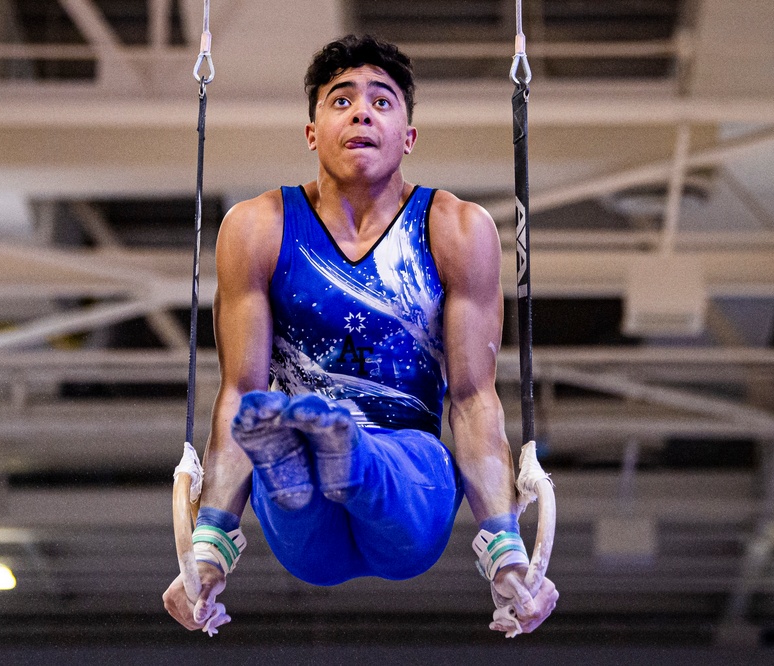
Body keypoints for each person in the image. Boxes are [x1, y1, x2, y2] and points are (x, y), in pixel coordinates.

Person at [163, 34, 558, 636]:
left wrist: (507, 551)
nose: (361, 112)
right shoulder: (257, 228)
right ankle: (309, 453)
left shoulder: (455, 229)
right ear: (312, 131)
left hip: (410, 471)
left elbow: (474, 399)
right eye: (341, 100)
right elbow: (239, 394)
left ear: (408, 135)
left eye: (382, 100)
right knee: (289, 477)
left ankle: (341, 448)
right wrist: (208, 545)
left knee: (382, 465)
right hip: (304, 520)